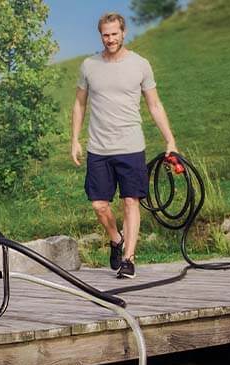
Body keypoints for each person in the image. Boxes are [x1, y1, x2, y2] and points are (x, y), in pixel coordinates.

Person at [70, 12, 179, 279]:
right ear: (101, 36)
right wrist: (74, 139)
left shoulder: (140, 65)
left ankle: (128, 258)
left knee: (131, 202)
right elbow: (79, 104)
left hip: (131, 147)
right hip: (99, 148)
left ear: (123, 33)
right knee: (99, 205)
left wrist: (170, 139)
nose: (110, 39)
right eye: (105, 35)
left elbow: (154, 104)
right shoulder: (89, 66)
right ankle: (116, 239)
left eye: (114, 34)